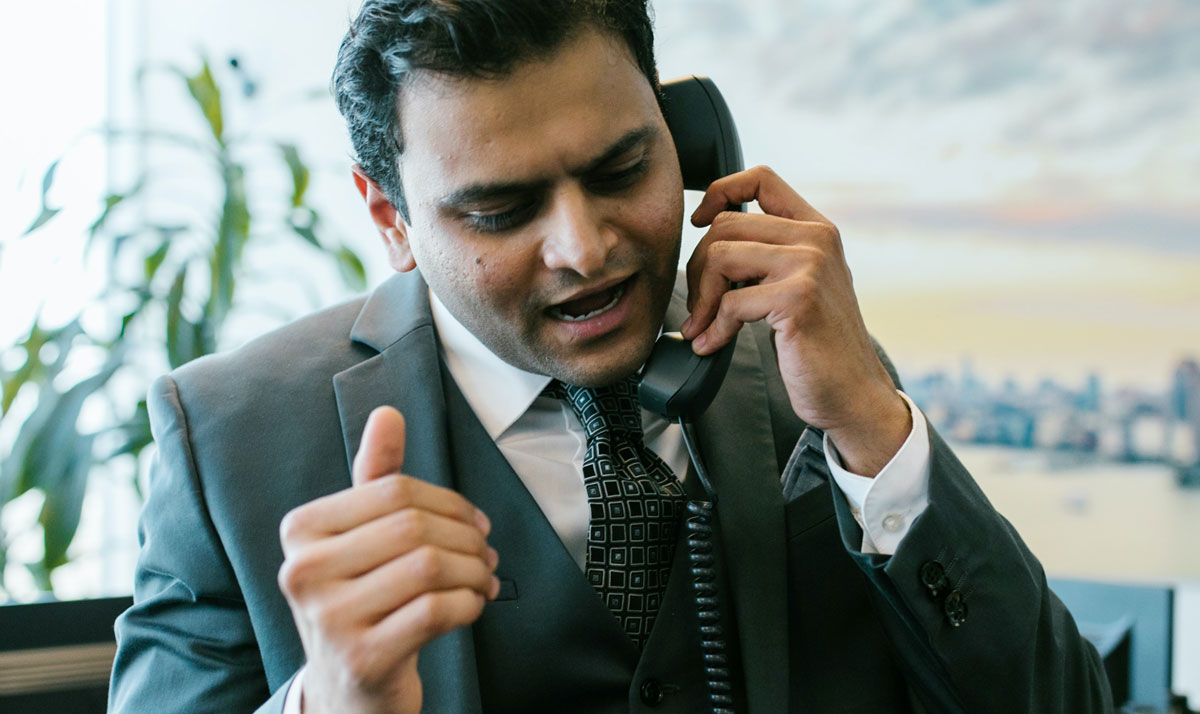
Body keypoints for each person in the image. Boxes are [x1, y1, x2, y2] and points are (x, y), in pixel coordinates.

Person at [108, 1, 1114, 713]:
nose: (584, 250)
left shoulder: (812, 364)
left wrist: (877, 438)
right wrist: (332, 703)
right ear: (392, 217)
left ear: (690, 137)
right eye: (500, 210)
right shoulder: (231, 443)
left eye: (623, 167)